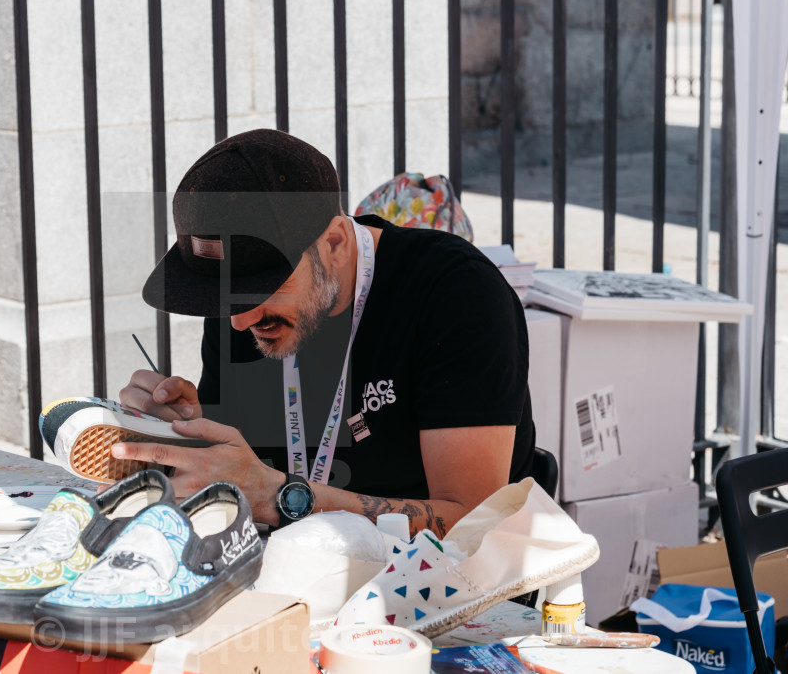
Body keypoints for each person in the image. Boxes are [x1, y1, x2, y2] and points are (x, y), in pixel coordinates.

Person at [119, 129, 535, 537]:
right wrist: (187, 430)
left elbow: (474, 524)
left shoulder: (457, 296)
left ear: (334, 243)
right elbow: (243, 469)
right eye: (222, 299)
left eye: (263, 288)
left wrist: (284, 497)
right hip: (295, 572)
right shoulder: (244, 310)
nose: (239, 322)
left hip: (439, 588)